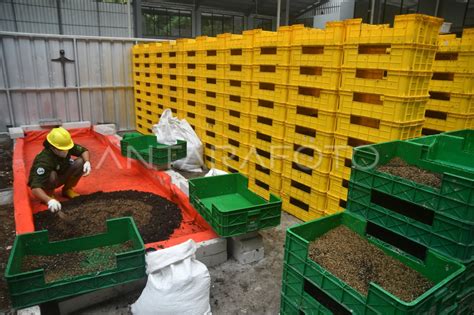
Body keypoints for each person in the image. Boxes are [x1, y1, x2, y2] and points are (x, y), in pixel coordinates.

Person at [28, 127, 91, 213]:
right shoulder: (44, 160)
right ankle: (49, 195)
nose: (66, 152)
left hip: (62, 174)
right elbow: (35, 188)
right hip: (50, 181)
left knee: (81, 162)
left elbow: (84, 151)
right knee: (52, 175)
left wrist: (87, 162)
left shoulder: (65, 146)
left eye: (67, 149)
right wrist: (48, 200)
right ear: (53, 148)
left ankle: (67, 190)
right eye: (62, 150)